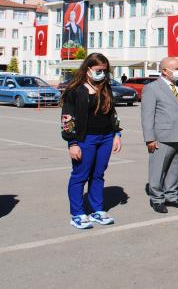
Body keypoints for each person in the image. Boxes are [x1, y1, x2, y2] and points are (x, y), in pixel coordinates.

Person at [61, 53, 123, 229]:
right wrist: (72, 143)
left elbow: (112, 113)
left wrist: (117, 134)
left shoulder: (106, 88)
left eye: (105, 70)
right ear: (88, 69)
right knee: (80, 175)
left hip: (106, 138)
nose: (102, 74)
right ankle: (78, 214)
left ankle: (97, 210)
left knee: (98, 174)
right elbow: (67, 117)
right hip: (84, 139)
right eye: (98, 70)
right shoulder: (75, 90)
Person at [141, 57, 178, 213]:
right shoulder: (152, 88)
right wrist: (150, 138)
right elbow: (147, 115)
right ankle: (157, 199)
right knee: (158, 169)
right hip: (162, 136)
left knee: (175, 168)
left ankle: (171, 196)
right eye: (176, 68)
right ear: (164, 70)